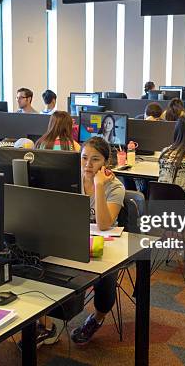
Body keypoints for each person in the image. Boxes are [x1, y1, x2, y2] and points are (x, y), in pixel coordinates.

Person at [71, 137, 124, 345]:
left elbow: (103, 224)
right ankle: (46, 324)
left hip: (106, 243)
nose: (87, 164)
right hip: (74, 237)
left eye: (95, 160)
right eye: (84, 158)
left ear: (105, 163)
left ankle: (98, 317)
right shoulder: (70, 178)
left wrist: (99, 185)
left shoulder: (115, 187)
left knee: (106, 275)